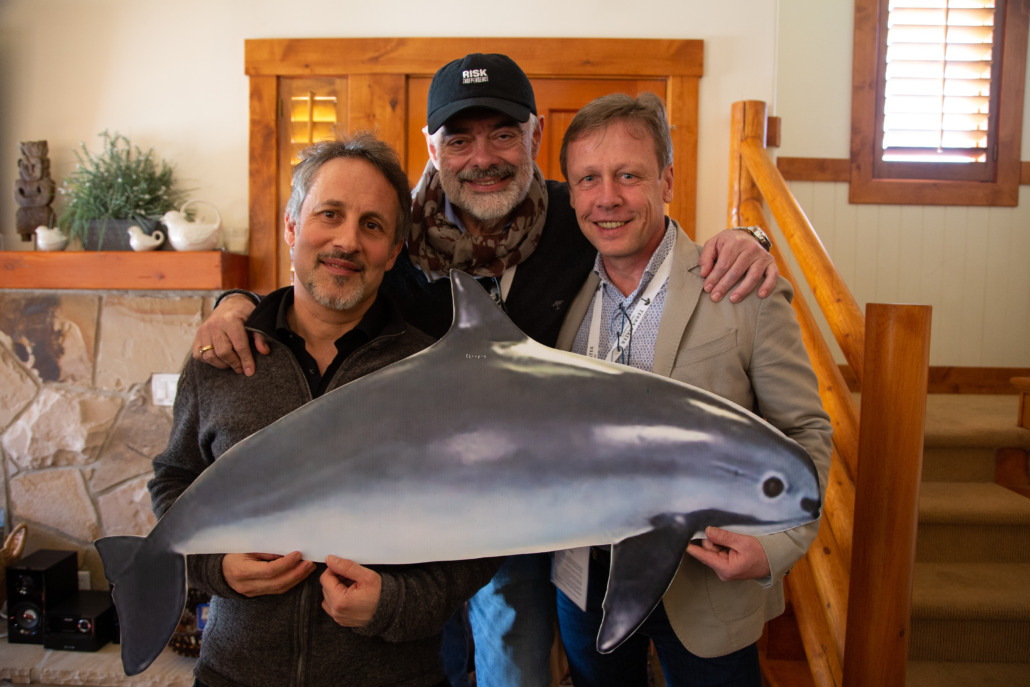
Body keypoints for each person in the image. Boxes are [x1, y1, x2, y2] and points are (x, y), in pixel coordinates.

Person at [190, 54, 780, 687]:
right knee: (423, 659)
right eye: (460, 138)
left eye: (502, 134)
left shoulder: (577, 219)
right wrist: (237, 304)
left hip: (523, 508)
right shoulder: (390, 234)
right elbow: (323, 281)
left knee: (516, 668)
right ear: (431, 147)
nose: (483, 157)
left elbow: (651, 238)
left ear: (535, 137)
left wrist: (751, 236)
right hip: (411, 502)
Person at [148, 133, 501, 687]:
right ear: (292, 226)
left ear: (392, 251)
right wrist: (213, 568)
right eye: (329, 214)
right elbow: (175, 479)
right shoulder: (219, 357)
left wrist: (397, 603)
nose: (347, 241)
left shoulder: (439, 377)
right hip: (235, 673)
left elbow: (486, 528)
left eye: (372, 225)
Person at [552, 93, 833, 686]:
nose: (608, 197)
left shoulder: (740, 287)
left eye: (629, 174)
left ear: (667, 179)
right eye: (588, 179)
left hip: (705, 585)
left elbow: (805, 432)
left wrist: (779, 544)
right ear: (571, 192)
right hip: (588, 580)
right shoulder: (561, 299)